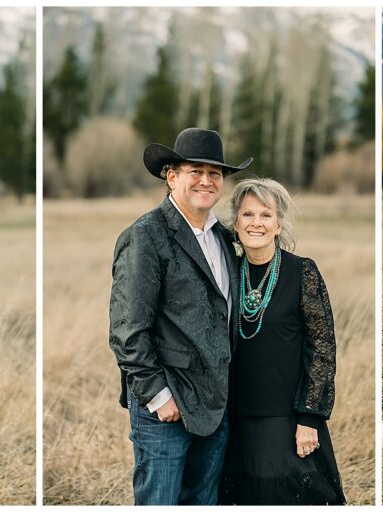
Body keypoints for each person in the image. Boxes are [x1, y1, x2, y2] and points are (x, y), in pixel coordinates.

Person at [108, 128, 250, 505]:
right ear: (171, 176)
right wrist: (158, 397)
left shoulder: (222, 237)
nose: (206, 181)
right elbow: (127, 331)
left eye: (215, 173)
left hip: (215, 403)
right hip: (166, 408)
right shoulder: (146, 235)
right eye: (195, 171)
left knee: (202, 502)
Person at [217, 179, 345, 505]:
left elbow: (322, 349)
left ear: (278, 224)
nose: (256, 222)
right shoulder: (227, 271)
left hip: (287, 419)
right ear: (236, 223)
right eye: (248, 214)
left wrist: (309, 418)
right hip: (235, 417)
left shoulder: (301, 272)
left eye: (265, 215)